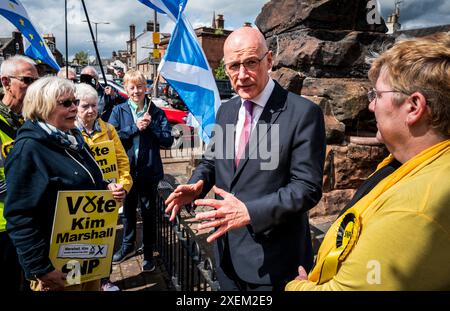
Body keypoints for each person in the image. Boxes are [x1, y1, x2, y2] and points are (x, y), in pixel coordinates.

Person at [165, 27, 326, 291]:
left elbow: (306, 189)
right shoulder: (226, 111)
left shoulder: (303, 113)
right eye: (234, 66)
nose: (242, 75)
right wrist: (196, 185)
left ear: (269, 60)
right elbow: (212, 161)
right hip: (227, 257)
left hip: (274, 265)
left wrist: (250, 212)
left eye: (251, 62)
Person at [286, 32, 450, 291]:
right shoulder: (406, 161)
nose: (371, 106)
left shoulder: (415, 209)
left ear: (414, 106)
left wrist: (296, 287)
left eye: (377, 95)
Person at [4, 77, 126, 291]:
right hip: (55, 266)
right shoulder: (28, 150)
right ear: (44, 106)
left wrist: (107, 188)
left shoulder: (73, 139)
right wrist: (41, 268)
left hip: (83, 257)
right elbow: (20, 216)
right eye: (66, 103)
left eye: (75, 101)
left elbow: (89, 179)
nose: (74, 108)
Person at [108, 70, 173, 272]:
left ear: (146, 87)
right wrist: (134, 128)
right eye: (131, 87)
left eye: (139, 86)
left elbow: (168, 140)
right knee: (127, 212)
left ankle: (148, 253)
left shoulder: (156, 112)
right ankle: (127, 246)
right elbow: (111, 138)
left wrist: (150, 126)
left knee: (148, 212)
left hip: (148, 171)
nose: (136, 91)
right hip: (126, 172)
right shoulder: (119, 111)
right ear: (126, 89)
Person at [75, 83, 133, 291]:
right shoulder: (69, 131)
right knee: (78, 243)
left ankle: (104, 280)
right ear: (75, 107)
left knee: (105, 239)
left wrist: (123, 187)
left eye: (93, 105)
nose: (90, 110)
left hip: (107, 197)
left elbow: (122, 162)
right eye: (84, 106)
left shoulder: (108, 130)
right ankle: (77, 281)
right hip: (80, 200)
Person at [0, 55, 38, 291]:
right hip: (4, 226)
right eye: (27, 81)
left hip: (32, 223)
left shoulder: (32, 121)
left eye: (37, 81)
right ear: (6, 82)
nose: (34, 88)